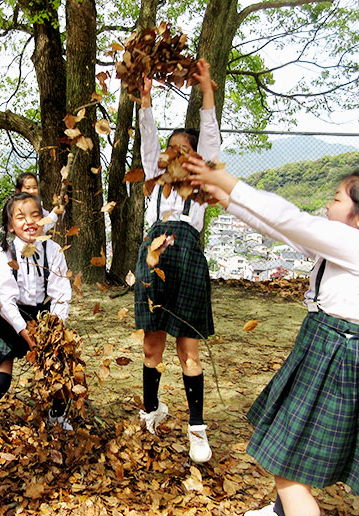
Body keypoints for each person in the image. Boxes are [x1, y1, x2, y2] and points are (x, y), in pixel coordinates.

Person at [184, 160, 359, 516]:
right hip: (336, 344)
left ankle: (292, 509)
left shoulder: (356, 244)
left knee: (287, 465)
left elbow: (292, 219)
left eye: (337, 200)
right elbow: (287, 232)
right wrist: (227, 200)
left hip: (339, 352)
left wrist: (228, 182)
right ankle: (281, 511)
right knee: (294, 445)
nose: (328, 204)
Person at [134, 58, 220, 463]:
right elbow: (148, 137)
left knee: (188, 351)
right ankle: (151, 410)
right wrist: (146, 99)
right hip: (153, 256)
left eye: (184, 151)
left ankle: (197, 431)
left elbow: (212, 139)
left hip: (187, 259)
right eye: (171, 150)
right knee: (152, 346)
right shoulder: (156, 181)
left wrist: (206, 92)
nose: (174, 155)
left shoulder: (200, 184)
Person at [0, 192, 73, 428]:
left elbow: (61, 293)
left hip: (42, 316)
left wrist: (54, 328)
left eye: (36, 215)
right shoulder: (5, 254)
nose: (29, 222)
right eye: (21, 217)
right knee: (2, 379)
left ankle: (57, 417)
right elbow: (5, 299)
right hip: (8, 317)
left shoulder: (53, 250)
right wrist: (24, 332)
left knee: (57, 370)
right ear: (10, 226)